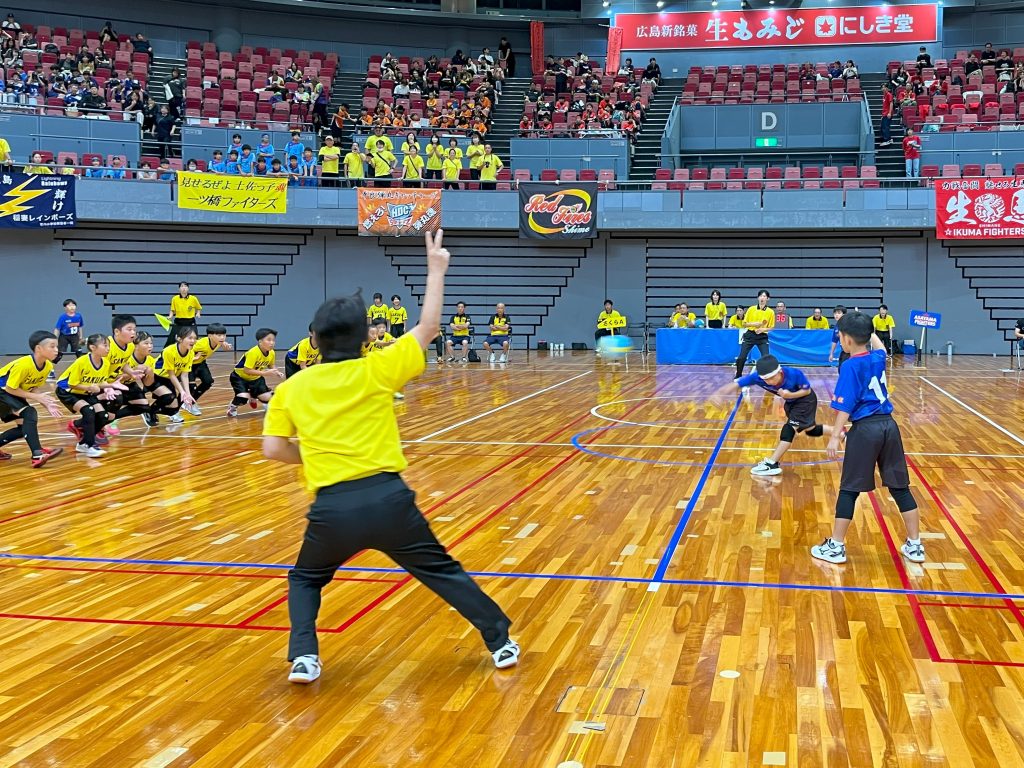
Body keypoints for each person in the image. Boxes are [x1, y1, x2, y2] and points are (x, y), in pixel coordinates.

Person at [262, 230, 518, 685]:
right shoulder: (379, 368)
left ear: (315, 340)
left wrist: (316, 453)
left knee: (305, 578)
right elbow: (429, 327)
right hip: (389, 500)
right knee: (441, 571)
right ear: (365, 338)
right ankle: (500, 641)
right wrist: (435, 268)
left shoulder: (291, 388)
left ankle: (304, 655)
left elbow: (273, 449)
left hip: (331, 510)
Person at [812, 312, 925, 565]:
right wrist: (868, 329)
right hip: (889, 426)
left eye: (840, 335)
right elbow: (881, 347)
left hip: (865, 430)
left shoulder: (850, 366)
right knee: (900, 487)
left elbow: (845, 406)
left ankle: (837, 546)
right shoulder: (877, 358)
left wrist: (835, 436)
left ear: (847, 340)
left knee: (849, 488)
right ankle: (915, 545)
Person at [711, 355, 840, 477]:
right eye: (765, 379)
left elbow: (807, 390)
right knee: (810, 430)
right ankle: (840, 433)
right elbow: (737, 384)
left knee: (789, 430)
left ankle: (772, 463)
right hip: (791, 403)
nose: (769, 382)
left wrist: (789, 395)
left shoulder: (794, 374)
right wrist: (719, 393)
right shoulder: (757, 377)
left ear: (779, 371)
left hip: (805, 401)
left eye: (772, 377)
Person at [0, 331, 64, 466]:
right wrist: (36, 396)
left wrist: (45, 402)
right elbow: (10, 388)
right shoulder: (23, 364)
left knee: (23, 428)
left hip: (11, 393)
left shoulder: (48, 366)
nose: (56, 350)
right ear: (39, 348)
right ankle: (37, 453)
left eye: (57, 346)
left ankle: (37, 451)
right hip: (4, 391)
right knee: (30, 413)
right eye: (52, 346)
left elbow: (33, 387)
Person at [56, 334, 118, 457]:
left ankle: (83, 442)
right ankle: (88, 445)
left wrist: (111, 386)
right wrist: (89, 388)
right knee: (88, 410)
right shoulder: (82, 361)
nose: (108, 348)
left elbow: (101, 381)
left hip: (84, 391)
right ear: (92, 347)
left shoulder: (105, 362)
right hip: (67, 390)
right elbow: (72, 384)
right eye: (105, 345)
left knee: (103, 415)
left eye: (109, 346)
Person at [228, 328, 282, 417]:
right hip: (240, 377)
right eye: (269, 340)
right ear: (260, 341)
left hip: (256, 378)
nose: (272, 343)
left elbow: (271, 365)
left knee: (268, 397)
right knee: (243, 398)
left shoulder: (272, 353)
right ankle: (232, 408)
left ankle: (254, 396)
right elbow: (247, 370)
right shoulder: (253, 352)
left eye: (273, 340)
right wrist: (265, 373)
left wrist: (276, 371)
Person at [153, 325, 198, 425]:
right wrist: (181, 391)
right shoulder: (169, 351)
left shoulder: (190, 353)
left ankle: (169, 412)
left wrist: (187, 393)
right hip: (157, 376)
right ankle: (149, 411)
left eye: (195, 338)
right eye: (190, 338)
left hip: (169, 378)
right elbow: (171, 374)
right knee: (170, 398)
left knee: (176, 402)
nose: (193, 341)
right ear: (179, 339)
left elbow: (184, 375)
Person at [185, 323, 231, 415]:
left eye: (224, 335)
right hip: (188, 364)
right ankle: (180, 407)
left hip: (201, 363)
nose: (222, 337)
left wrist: (224, 345)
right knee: (191, 387)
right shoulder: (200, 344)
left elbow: (222, 343)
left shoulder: (218, 342)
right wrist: (194, 358)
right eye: (219, 335)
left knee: (208, 381)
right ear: (210, 336)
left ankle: (190, 403)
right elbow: (183, 352)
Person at [735, 290, 775, 377]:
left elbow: (771, 327)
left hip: (762, 337)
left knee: (766, 357)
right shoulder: (751, 309)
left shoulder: (770, 312)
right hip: (750, 335)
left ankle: (767, 376)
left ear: (768, 299)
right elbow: (744, 324)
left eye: (764, 296)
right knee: (742, 357)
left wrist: (762, 330)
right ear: (758, 298)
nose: (762, 298)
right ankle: (738, 375)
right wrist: (754, 324)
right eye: (761, 296)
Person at [166, 281, 202, 348]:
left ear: (188, 288)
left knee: (195, 339)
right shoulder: (174, 299)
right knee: (171, 339)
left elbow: (199, 308)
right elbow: (172, 310)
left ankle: (198, 357)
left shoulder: (193, 298)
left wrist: (198, 313)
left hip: (190, 322)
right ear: (179, 289)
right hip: (179, 322)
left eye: (185, 286)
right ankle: (164, 355)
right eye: (182, 286)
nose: (184, 288)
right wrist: (170, 316)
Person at [53, 298, 85, 367]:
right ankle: (53, 366)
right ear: (65, 307)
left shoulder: (78, 316)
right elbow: (57, 328)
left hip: (74, 336)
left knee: (78, 351)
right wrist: (54, 339)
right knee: (60, 352)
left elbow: (80, 327)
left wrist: (81, 337)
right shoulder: (62, 317)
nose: (72, 307)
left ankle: (81, 365)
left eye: (73, 305)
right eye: (69, 305)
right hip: (64, 336)